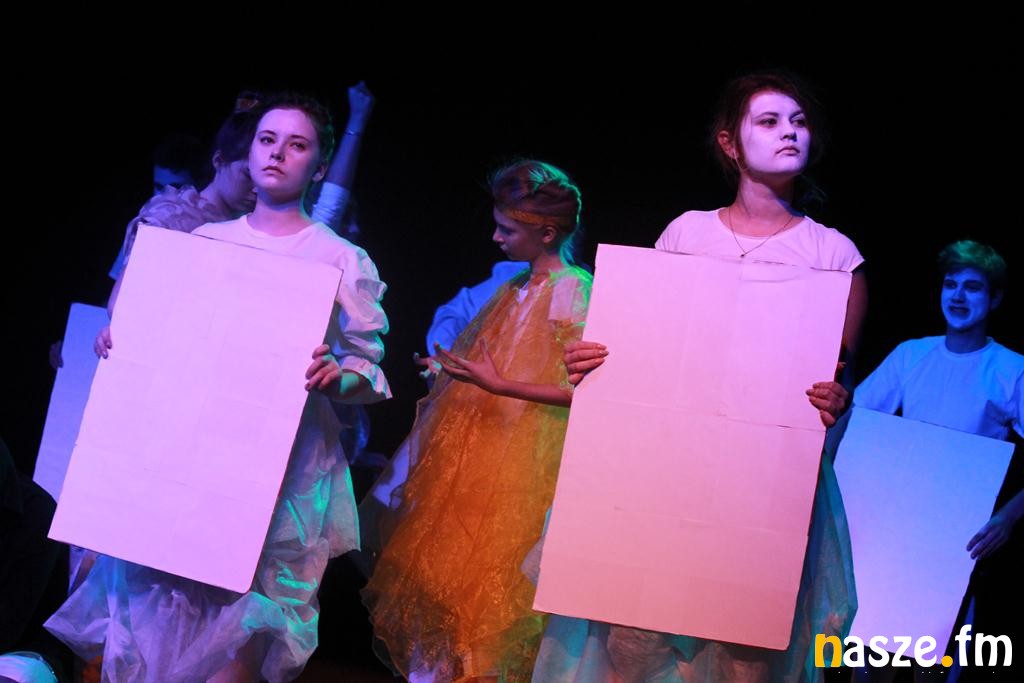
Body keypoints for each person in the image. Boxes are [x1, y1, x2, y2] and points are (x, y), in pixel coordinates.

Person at [45, 92, 391, 683]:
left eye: (297, 145)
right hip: (185, 466)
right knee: (158, 637)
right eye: (267, 140)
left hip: (276, 480)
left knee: (236, 649)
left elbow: (370, 370)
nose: (277, 153)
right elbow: (166, 350)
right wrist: (124, 341)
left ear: (319, 167)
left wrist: (339, 374)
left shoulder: (339, 258)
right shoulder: (205, 243)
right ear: (248, 151)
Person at [547, 70, 866, 683]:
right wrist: (596, 360)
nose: (789, 132)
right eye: (769, 121)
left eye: (799, 121)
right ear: (730, 143)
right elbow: (647, 348)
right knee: (636, 640)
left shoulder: (834, 255)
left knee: (744, 653)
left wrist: (834, 399)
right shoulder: (687, 233)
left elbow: (832, 380)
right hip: (668, 468)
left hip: (763, 480)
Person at [362, 160, 591, 682]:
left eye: (507, 229)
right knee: (449, 584)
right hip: (480, 457)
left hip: (525, 467)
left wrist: (501, 385)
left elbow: (579, 392)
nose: (496, 237)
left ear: (547, 233)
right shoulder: (516, 286)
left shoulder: (571, 290)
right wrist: (455, 371)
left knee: (496, 591)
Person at [851, 240, 1022, 682]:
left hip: (956, 541)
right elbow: (856, 419)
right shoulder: (911, 355)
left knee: (935, 660)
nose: (958, 296)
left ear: (995, 299)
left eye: (973, 287)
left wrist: (1007, 517)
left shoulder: (1009, 368)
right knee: (870, 657)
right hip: (893, 533)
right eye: (950, 285)